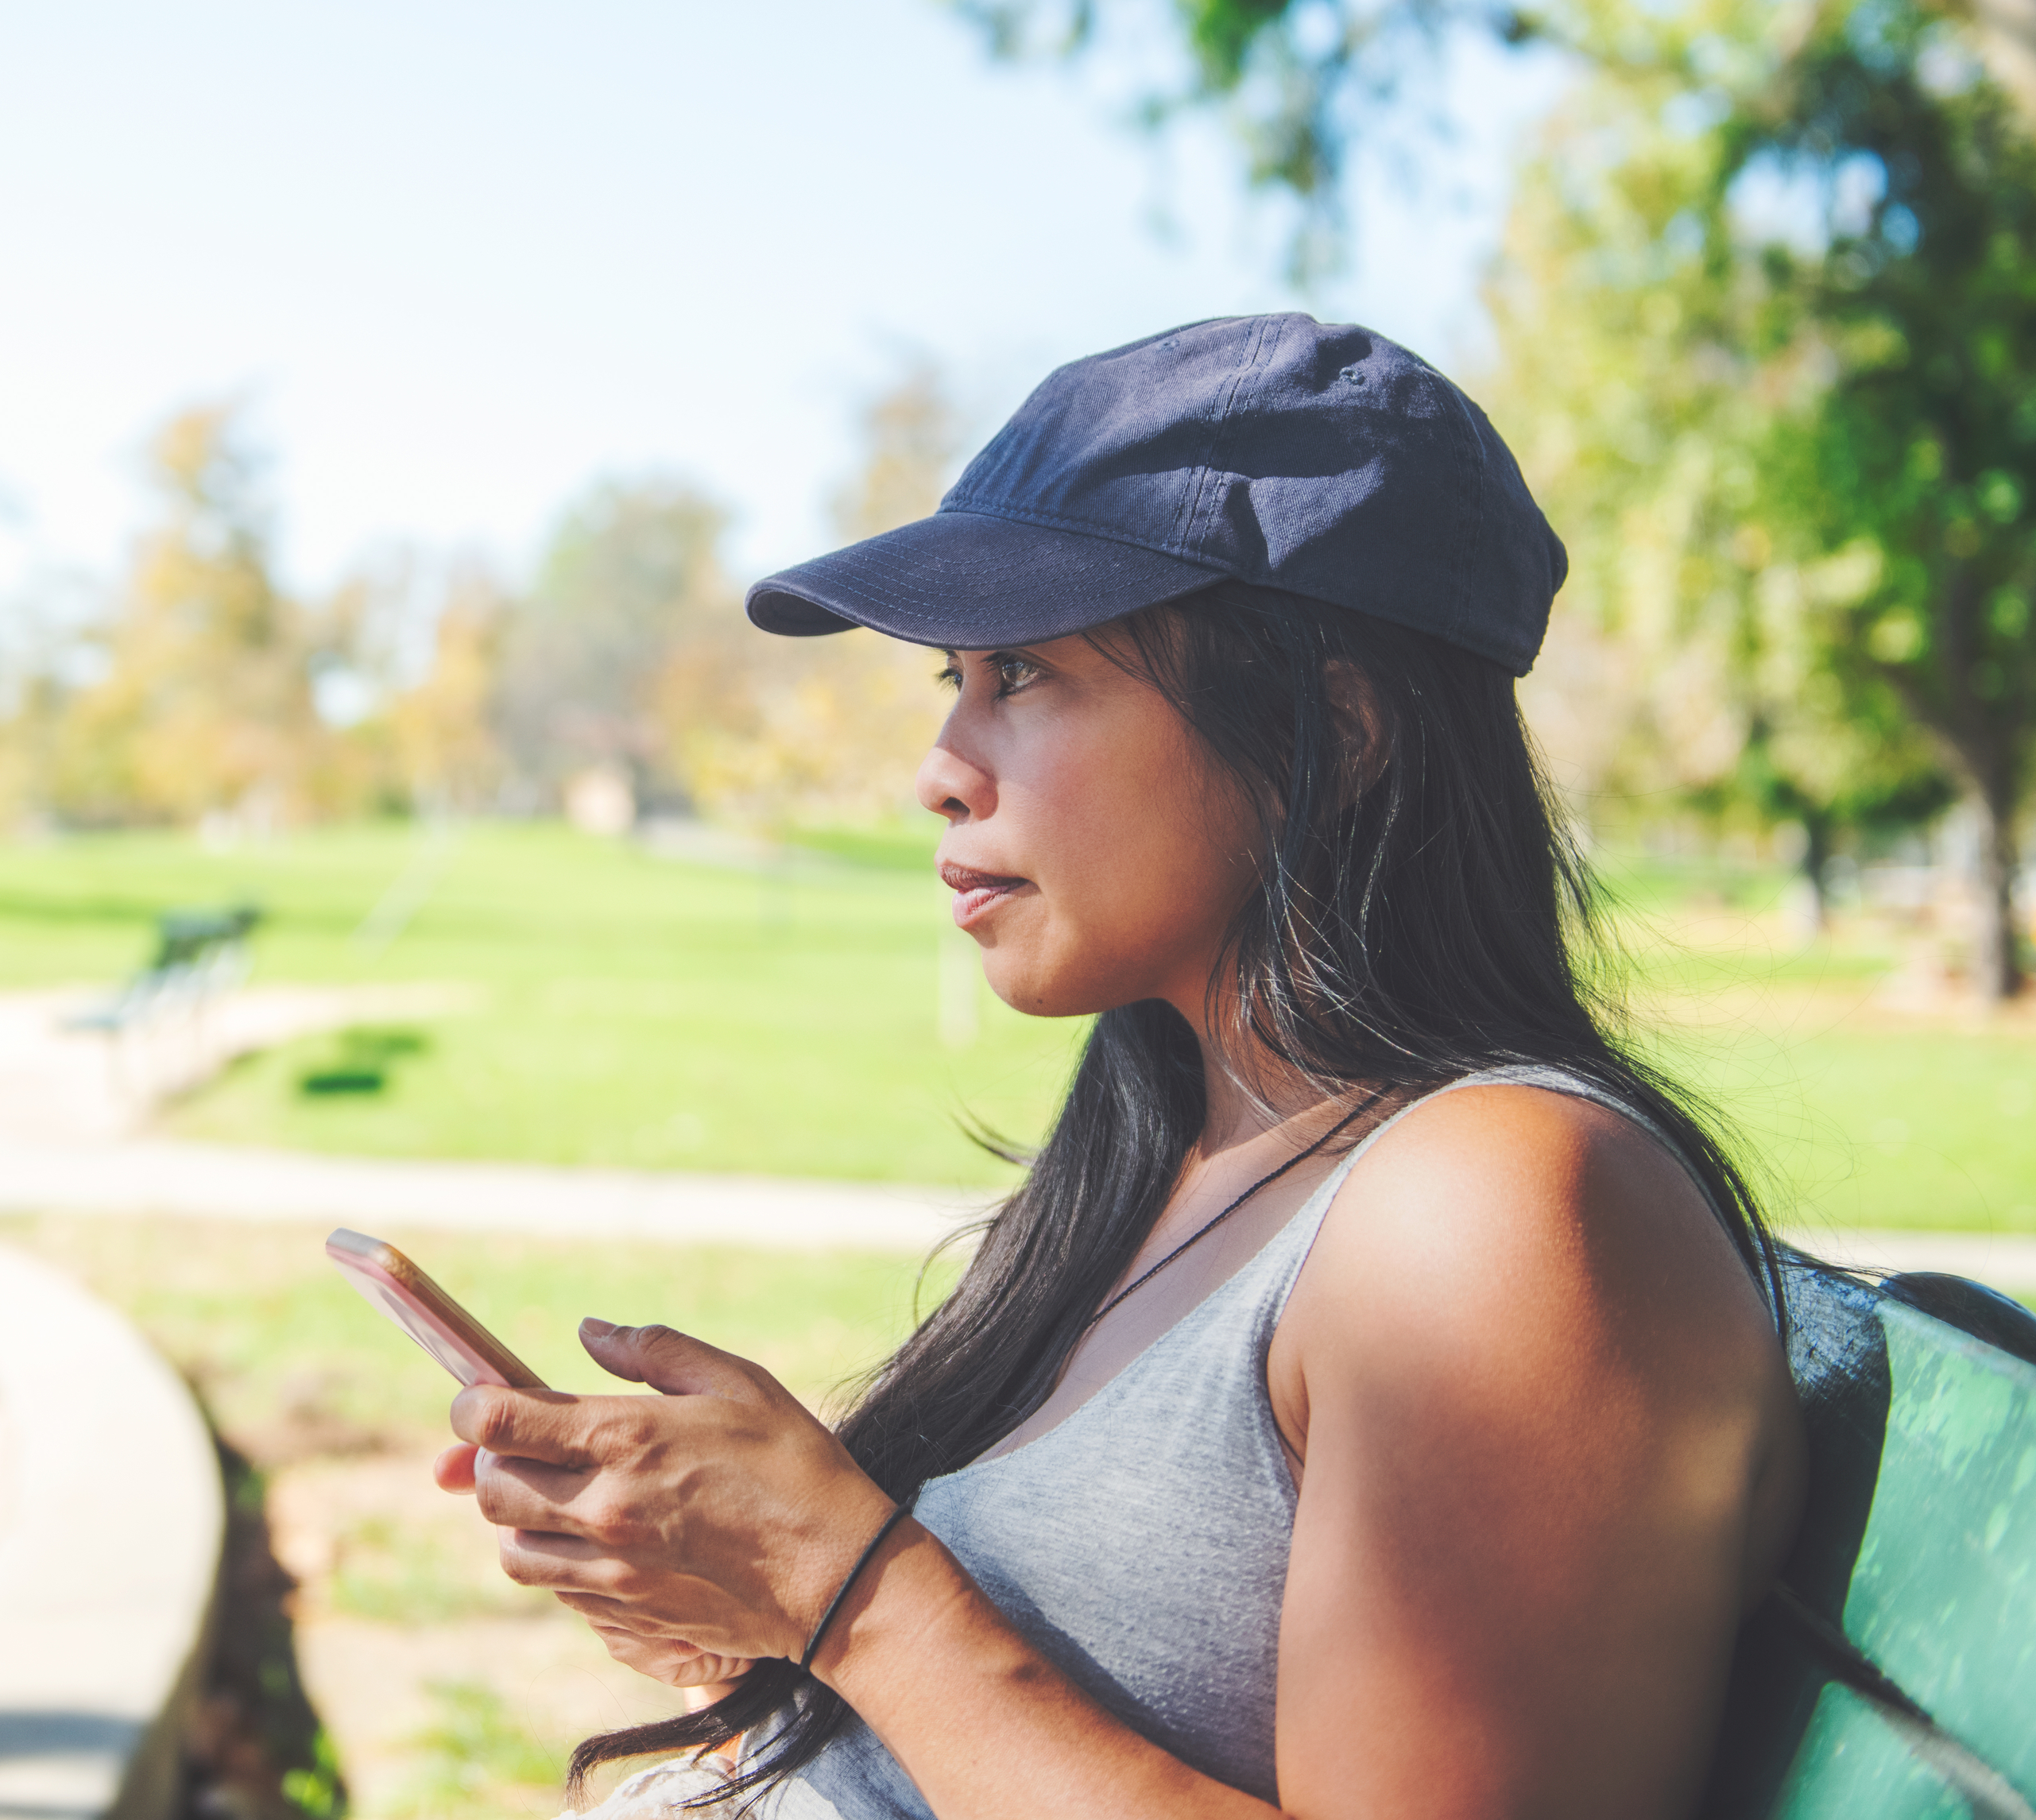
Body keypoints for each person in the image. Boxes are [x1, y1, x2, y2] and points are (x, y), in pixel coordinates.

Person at [435, 315, 1809, 1820]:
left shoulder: (1493, 1216)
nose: (939, 765)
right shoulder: (1197, 1149)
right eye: (952, 679)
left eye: (1019, 674)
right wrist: (745, 1616)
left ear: (1332, 732)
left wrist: (849, 1595)